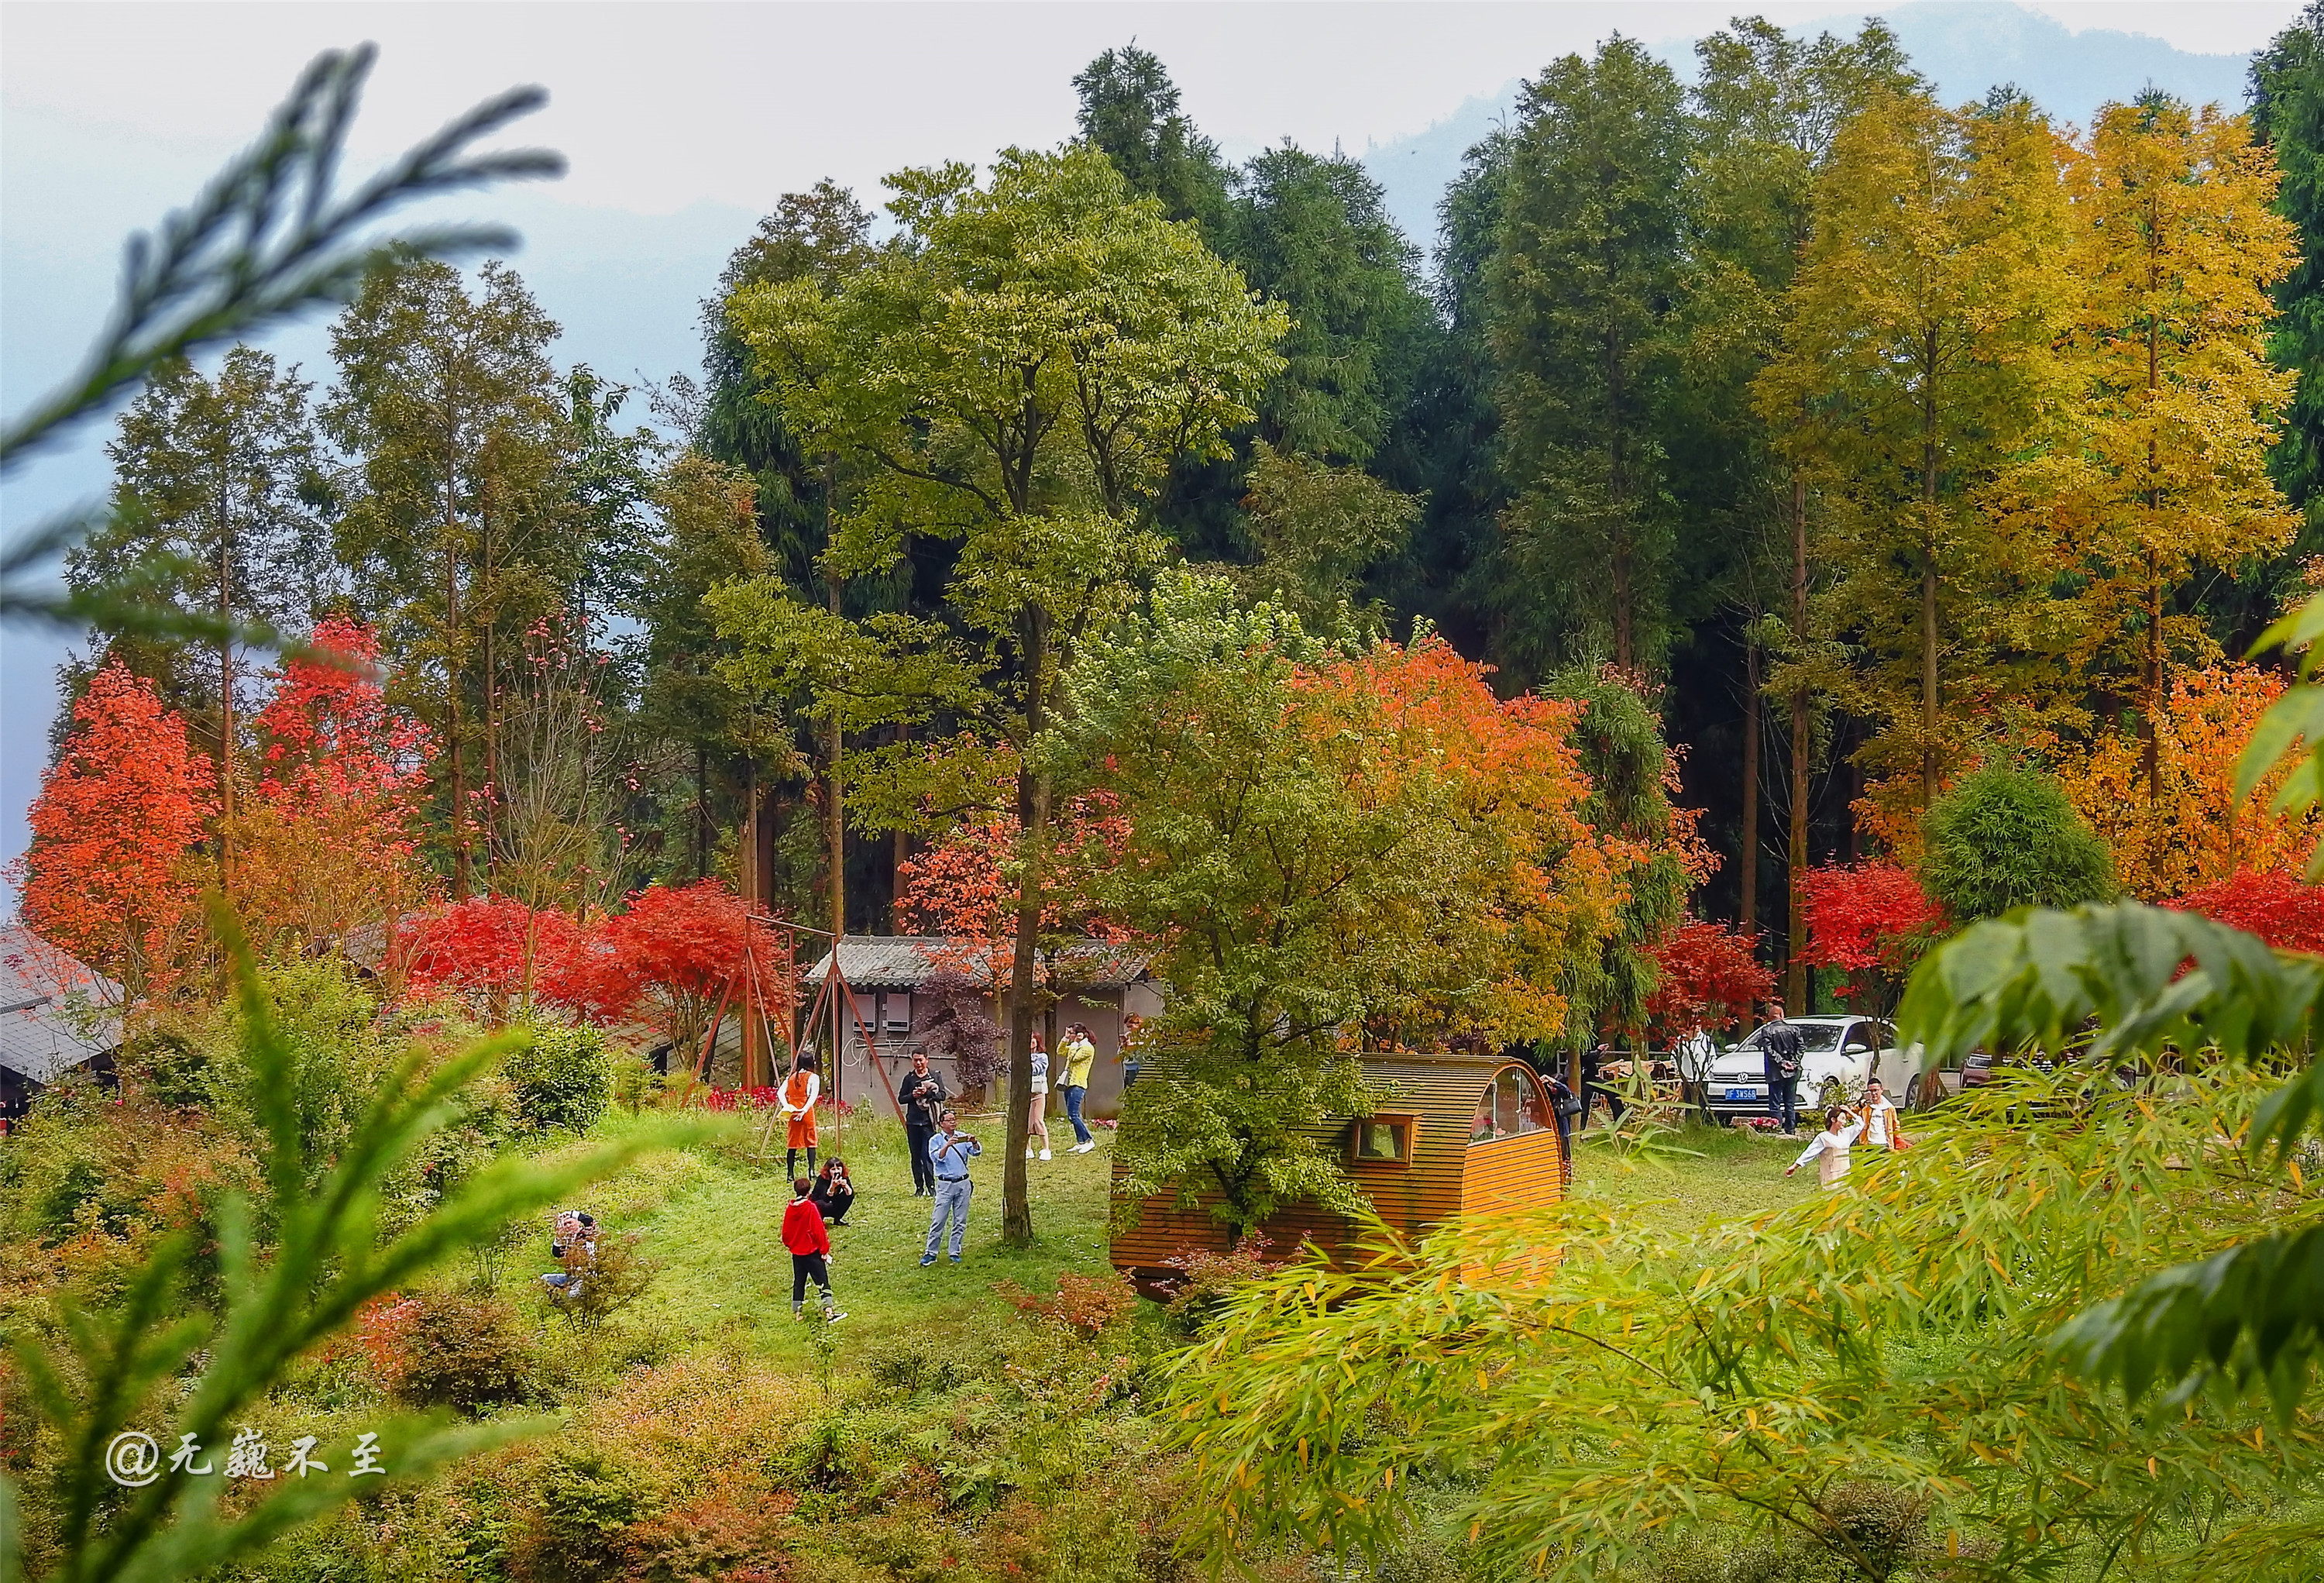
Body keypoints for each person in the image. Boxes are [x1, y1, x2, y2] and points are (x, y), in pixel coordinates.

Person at [781, 1175, 845, 1320]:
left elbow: (785, 1232)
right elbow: (818, 1230)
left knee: (799, 1282)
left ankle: (797, 1313)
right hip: (812, 1252)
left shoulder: (790, 1209)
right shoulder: (810, 1208)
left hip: (797, 1253)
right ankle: (829, 1312)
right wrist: (824, 1250)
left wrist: (791, 1245)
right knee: (822, 1281)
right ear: (808, 1191)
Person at [921, 1109, 981, 1265]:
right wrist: (947, 1145)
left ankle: (954, 1251)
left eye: (954, 1119)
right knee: (939, 1219)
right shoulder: (935, 1140)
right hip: (945, 1184)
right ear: (942, 1124)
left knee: (960, 1220)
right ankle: (931, 1252)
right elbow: (936, 1158)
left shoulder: (962, 1136)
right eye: (949, 1120)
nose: (953, 1122)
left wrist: (973, 1142)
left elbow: (976, 1153)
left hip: (963, 1183)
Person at [896, 1051, 950, 1197]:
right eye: (915, 1060)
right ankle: (919, 1187)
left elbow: (942, 1096)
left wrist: (927, 1093)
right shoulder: (909, 1078)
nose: (918, 1063)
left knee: (928, 1155)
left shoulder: (935, 1076)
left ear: (927, 1060)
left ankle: (931, 1186)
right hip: (913, 1122)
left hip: (929, 1122)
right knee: (915, 1156)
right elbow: (901, 1099)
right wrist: (913, 1096)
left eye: (921, 1060)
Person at [1786, 1106, 1864, 1188]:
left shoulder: (1846, 1134)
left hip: (1845, 1174)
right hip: (1831, 1176)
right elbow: (1810, 1152)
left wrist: (1849, 1111)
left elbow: (1860, 1124)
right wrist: (1795, 1166)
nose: (1844, 1122)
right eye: (1842, 1119)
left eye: (1845, 1119)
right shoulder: (1824, 1137)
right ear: (1833, 1119)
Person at [1759, 1001, 1806, 1137]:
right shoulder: (1794, 1029)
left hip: (1775, 1072)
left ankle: (1777, 1128)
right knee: (1789, 1102)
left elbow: (1768, 1050)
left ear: (1770, 1016)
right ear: (1782, 1015)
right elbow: (1802, 1047)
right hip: (1792, 1071)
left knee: (1775, 1103)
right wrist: (1793, 1062)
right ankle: (1790, 1129)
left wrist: (1782, 1062)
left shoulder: (1767, 1031)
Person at [779, 1052, 822, 1179]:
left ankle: (790, 1174)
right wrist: (804, 1110)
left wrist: (787, 1106)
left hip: (793, 1111)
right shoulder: (813, 1077)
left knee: (792, 1143)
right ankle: (811, 1171)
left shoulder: (791, 1078)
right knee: (811, 1141)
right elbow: (813, 1096)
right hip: (806, 1111)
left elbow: (780, 1093)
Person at [541, 1210, 597, 1299]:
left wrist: (572, 1213)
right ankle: (558, 1305)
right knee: (545, 1279)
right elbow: (556, 1253)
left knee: (572, 1295)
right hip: (571, 1276)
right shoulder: (567, 1240)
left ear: (578, 1223)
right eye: (565, 1224)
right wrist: (559, 1237)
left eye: (570, 1222)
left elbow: (589, 1221)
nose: (568, 1226)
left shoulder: (586, 1235)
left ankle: (579, 1306)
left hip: (586, 1276)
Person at [1061, 1023, 1098, 1152]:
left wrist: (1074, 1043)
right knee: (1072, 1115)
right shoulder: (1075, 1046)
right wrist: (1065, 1039)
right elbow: (1060, 1051)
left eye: (1071, 1033)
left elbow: (1074, 1058)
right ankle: (1081, 1141)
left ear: (1080, 1035)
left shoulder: (1087, 1048)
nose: (1070, 1036)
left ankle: (1089, 1140)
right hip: (1068, 1083)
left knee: (1074, 1115)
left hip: (1078, 1084)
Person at [1857, 1079, 1909, 1153]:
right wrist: (1860, 1105)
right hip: (1869, 1145)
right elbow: (1850, 1114)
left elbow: (1895, 1126)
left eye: (1876, 1090)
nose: (1873, 1093)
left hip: (1885, 1144)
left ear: (1881, 1090)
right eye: (1871, 1091)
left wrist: (1898, 1141)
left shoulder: (1889, 1108)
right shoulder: (1866, 1108)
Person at [1024, 1032, 1053, 1161]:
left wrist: (1024, 1063)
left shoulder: (1042, 1057)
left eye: (1033, 1039)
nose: (1031, 1041)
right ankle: (1028, 1149)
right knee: (1025, 1122)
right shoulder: (1022, 1055)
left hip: (1038, 1091)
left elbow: (1037, 1069)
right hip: (1024, 1092)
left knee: (1037, 1120)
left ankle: (1046, 1149)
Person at [810, 1158, 856, 1224]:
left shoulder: (843, 1177)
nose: (836, 1171)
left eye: (838, 1168)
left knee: (848, 1196)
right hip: (819, 1204)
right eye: (833, 1169)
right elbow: (824, 1199)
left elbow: (850, 1194)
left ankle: (838, 1218)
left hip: (833, 1202)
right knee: (822, 1204)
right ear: (828, 1170)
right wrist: (832, 1187)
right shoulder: (822, 1179)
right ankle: (818, 1220)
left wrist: (846, 1186)